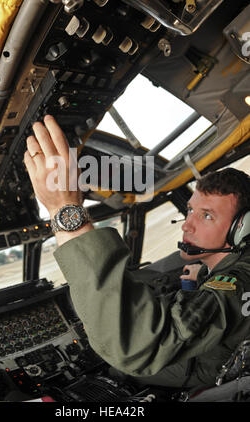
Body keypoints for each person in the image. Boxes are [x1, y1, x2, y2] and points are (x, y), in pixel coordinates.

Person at [24, 115, 250, 390]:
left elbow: (134, 345)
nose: (187, 224)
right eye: (189, 210)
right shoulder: (220, 269)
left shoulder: (238, 281)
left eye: (206, 216)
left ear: (242, 228)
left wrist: (64, 207)